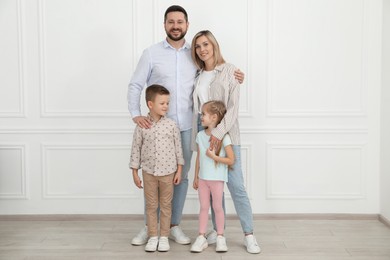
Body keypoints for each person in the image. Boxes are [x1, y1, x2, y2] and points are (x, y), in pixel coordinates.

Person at [127, 5, 244, 246]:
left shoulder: (195, 54)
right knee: (153, 177)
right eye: (171, 22)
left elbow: (216, 74)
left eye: (180, 21)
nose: (176, 25)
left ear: (187, 25)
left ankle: (173, 226)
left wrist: (238, 75)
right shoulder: (151, 54)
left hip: (189, 128)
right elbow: (135, 85)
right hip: (157, 129)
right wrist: (135, 113)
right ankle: (151, 228)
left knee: (178, 178)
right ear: (164, 25)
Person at [190, 30, 261, 254]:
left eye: (205, 44)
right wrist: (199, 141)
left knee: (236, 186)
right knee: (212, 187)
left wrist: (218, 134)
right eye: (198, 46)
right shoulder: (197, 75)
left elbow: (232, 108)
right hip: (204, 132)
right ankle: (216, 232)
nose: (202, 49)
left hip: (227, 134)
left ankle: (249, 234)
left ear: (214, 45)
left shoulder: (230, 71)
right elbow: (197, 111)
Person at [130, 85, 184, 252]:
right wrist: (134, 172)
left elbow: (178, 148)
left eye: (167, 103)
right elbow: (135, 148)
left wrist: (179, 170)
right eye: (162, 103)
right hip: (148, 172)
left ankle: (164, 237)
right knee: (151, 205)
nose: (166, 106)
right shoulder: (142, 125)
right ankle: (153, 236)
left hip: (168, 172)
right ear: (150, 104)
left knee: (166, 205)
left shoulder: (171, 125)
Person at [190, 100, 234, 253]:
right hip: (203, 179)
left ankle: (220, 237)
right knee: (203, 207)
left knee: (217, 207)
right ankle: (201, 237)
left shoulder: (224, 138)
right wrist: (195, 176)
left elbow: (231, 159)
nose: (201, 116)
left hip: (217, 180)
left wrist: (214, 157)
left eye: (204, 114)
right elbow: (199, 158)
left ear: (214, 117)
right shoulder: (200, 135)